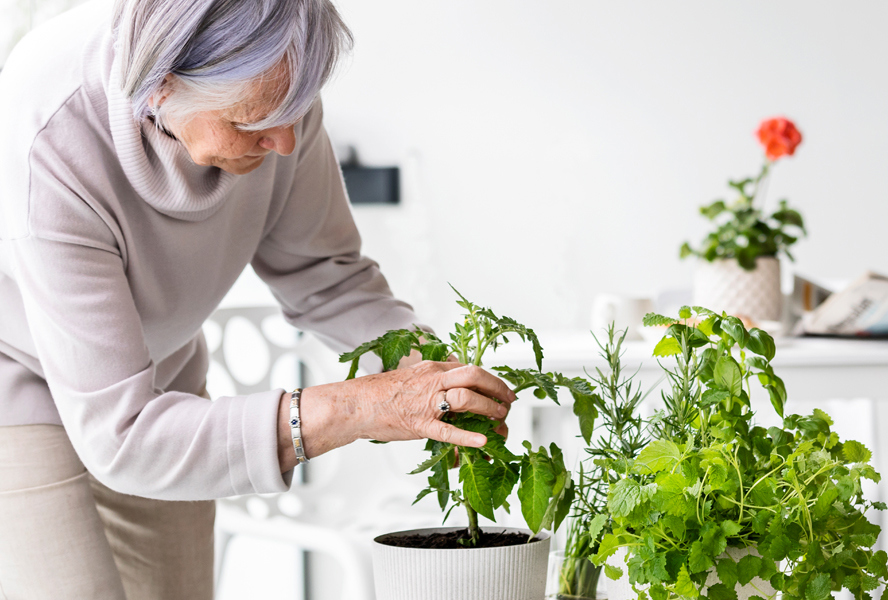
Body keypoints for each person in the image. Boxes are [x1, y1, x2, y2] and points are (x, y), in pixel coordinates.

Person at [0, 1, 513, 598]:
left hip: (160, 377)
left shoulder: (277, 94)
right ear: (161, 85)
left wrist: (435, 383)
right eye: (253, 123)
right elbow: (123, 435)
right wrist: (357, 408)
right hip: (18, 378)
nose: (287, 143)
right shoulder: (48, 134)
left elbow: (328, 278)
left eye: (297, 110)